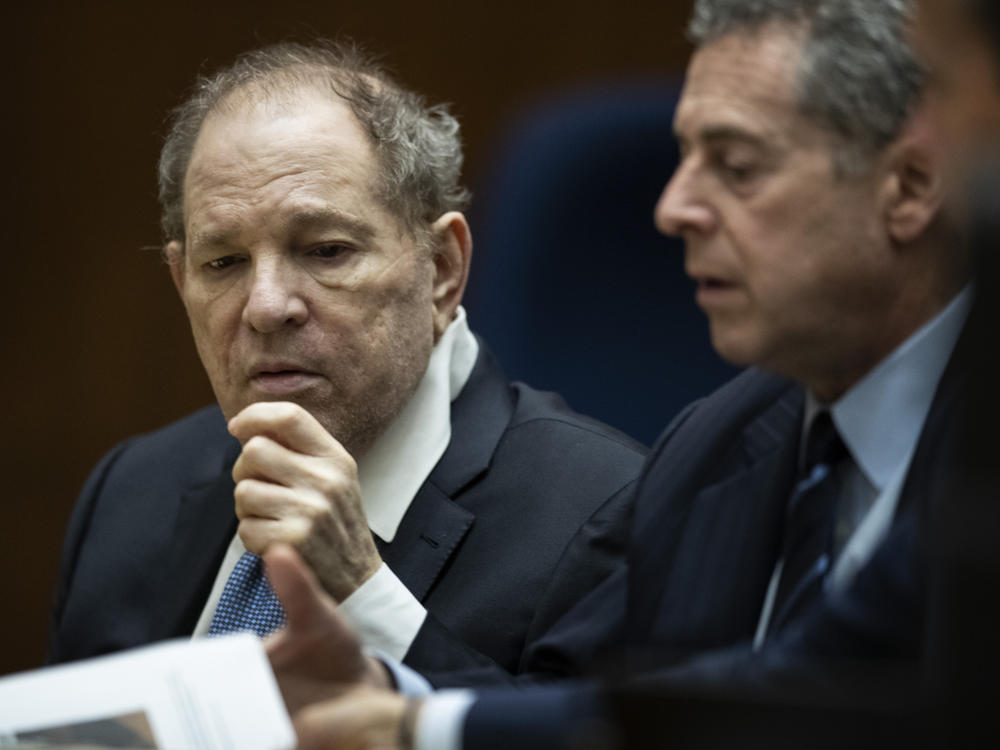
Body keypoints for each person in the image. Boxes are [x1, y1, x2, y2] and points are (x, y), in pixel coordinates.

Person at [263, 1, 976, 747]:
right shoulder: (714, 447)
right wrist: (382, 691)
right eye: (685, 159)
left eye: (737, 167)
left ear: (911, 186)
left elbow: (812, 698)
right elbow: (587, 712)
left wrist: (419, 727)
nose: (672, 209)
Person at [47, 41, 648, 682]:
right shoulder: (130, 492)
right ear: (180, 281)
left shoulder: (610, 516)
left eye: (326, 251)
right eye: (223, 263)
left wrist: (364, 595)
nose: (266, 306)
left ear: (442, 269)